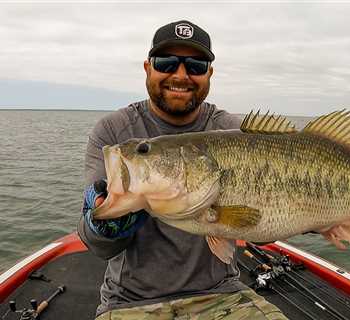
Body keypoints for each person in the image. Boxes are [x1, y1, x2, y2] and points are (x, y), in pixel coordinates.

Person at [78, 20, 288, 320]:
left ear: (209, 74)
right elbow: (98, 245)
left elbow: (261, 230)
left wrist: (313, 218)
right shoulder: (114, 133)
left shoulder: (233, 132)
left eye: (196, 65)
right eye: (166, 63)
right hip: (130, 301)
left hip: (224, 294)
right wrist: (101, 225)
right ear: (148, 68)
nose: (180, 75)